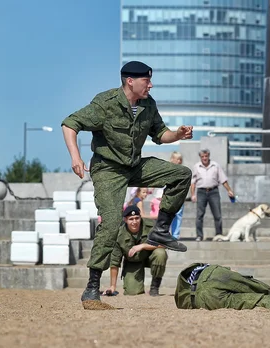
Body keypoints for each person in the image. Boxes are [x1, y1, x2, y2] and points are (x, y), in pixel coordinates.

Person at [61, 61, 193, 308]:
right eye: (147, 81)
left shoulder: (148, 104)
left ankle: (161, 230)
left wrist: (177, 134)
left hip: (133, 165)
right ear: (130, 81)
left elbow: (160, 133)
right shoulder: (106, 103)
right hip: (108, 169)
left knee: (182, 174)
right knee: (111, 223)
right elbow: (70, 124)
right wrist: (75, 157)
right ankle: (92, 287)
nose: (150, 85)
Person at [105, 205, 168, 297]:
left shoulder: (151, 226)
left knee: (160, 253)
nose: (134, 222)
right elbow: (114, 262)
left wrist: (143, 246)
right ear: (125, 220)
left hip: (150, 256)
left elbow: (164, 244)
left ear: (140, 217)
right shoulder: (119, 235)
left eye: (137, 218)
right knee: (132, 292)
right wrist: (112, 286)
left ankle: (154, 287)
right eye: (131, 219)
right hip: (132, 262)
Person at [191, 149, 235, 241]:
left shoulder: (215, 165)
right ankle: (199, 235)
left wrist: (229, 190)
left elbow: (223, 179)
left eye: (206, 156)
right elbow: (193, 182)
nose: (204, 158)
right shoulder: (196, 166)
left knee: (217, 215)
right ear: (200, 157)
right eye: (202, 156)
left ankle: (218, 235)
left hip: (213, 191)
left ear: (208, 156)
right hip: (201, 192)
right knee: (199, 215)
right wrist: (193, 194)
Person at [169, 151, 185, 240]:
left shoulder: (183, 170)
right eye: (177, 159)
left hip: (179, 195)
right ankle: (164, 233)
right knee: (167, 214)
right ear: (172, 159)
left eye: (180, 159)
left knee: (178, 215)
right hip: (169, 195)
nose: (179, 161)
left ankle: (175, 235)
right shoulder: (168, 169)